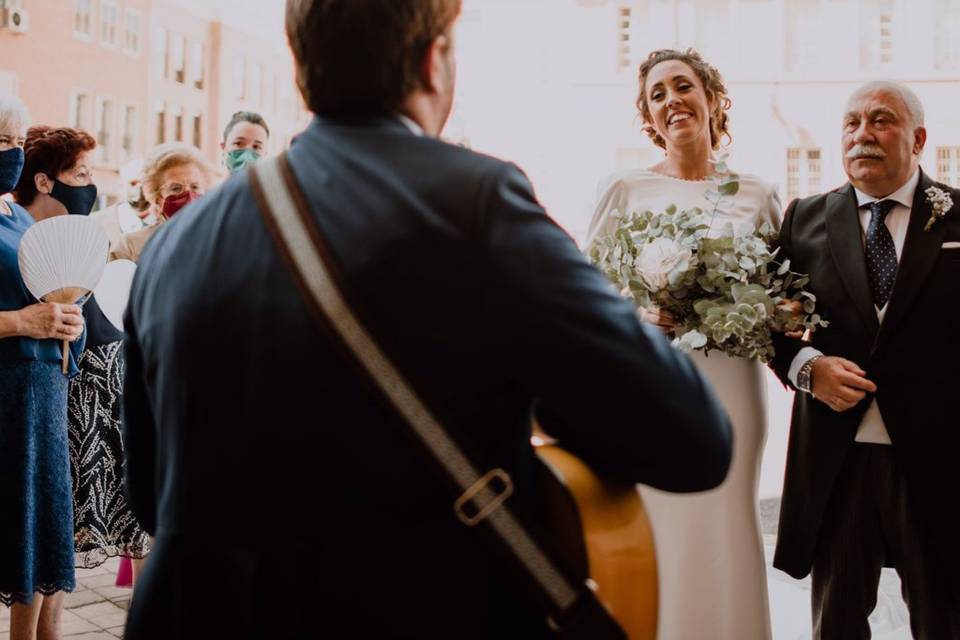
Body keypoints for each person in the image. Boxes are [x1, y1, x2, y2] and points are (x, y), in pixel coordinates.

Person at [121, 2, 734, 638]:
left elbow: (149, 492)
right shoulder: (471, 200)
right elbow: (690, 437)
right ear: (432, 59)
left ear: (304, 70)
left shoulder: (173, 244)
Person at [588, 48, 777, 640]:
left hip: (732, 383)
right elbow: (587, 289)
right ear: (648, 115)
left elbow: (779, 295)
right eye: (658, 95)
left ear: (712, 97)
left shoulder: (758, 193)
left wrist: (757, 313)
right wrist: (636, 311)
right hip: (654, 382)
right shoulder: (623, 188)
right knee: (660, 520)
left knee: (727, 519)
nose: (672, 101)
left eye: (682, 86)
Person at [769, 80, 960, 639]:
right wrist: (808, 368)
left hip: (938, 458)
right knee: (837, 622)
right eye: (852, 123)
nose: (862, 135)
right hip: (836, 459)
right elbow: (768, 323)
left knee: (943, 618)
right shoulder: (803, 219)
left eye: (881, 121)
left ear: (918, 138)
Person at [15, 126, 151, 582]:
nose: (90, 185)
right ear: (43, 181)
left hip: (97, 384)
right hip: (48, 394)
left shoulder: (82, 236)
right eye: (81, 173)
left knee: (59, 549)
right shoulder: (16, 234)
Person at [0, 97, 85, 640]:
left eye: (13, 141)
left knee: (40, 542)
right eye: (0, 141)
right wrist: (19, 323)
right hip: (6, 395)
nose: (11, 153)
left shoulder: (13, 214)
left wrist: (63, 323)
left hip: (39, 397)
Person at [110, 142, 212, 262]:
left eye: (195, 187)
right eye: (176, 188)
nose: (189, 195)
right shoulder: (131, 247)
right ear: (157, 200)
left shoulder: (218, 241)